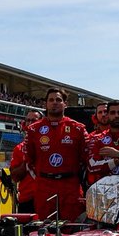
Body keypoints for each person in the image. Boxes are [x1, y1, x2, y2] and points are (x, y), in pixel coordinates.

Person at [24, 88, 88, 222]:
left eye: (58, 100)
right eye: (51, 100)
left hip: (70, 186)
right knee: (46, 229)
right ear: (45, 104)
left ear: (65, 104)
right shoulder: (33, 130)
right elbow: (29, 161)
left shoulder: (78, 128)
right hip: (44, 186)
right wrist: (44, 177)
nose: (54, 103)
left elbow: (85, 159)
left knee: (72, 229)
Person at [8, 108, 42, 212]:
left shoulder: (52, 145)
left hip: (47, 197)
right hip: (27, 199)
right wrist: (26, 161)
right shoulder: (19, 148)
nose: (30, 124)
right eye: (28, 120)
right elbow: (14, 176)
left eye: (34, 120)